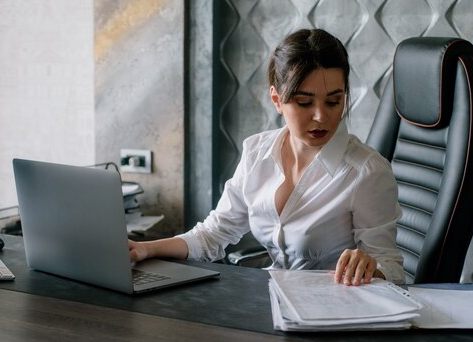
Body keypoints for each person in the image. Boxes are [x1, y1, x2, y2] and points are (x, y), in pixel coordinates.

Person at [129, 28, 405, 285]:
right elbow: (214, 233)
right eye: (304, 102)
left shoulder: (367, 172)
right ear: (277, 100)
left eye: (334, 101)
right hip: (268, 298)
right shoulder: (257, 152)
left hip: (332, 314)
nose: (321, 116)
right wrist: (143, 249)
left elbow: (393, 270)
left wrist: (371, 266)